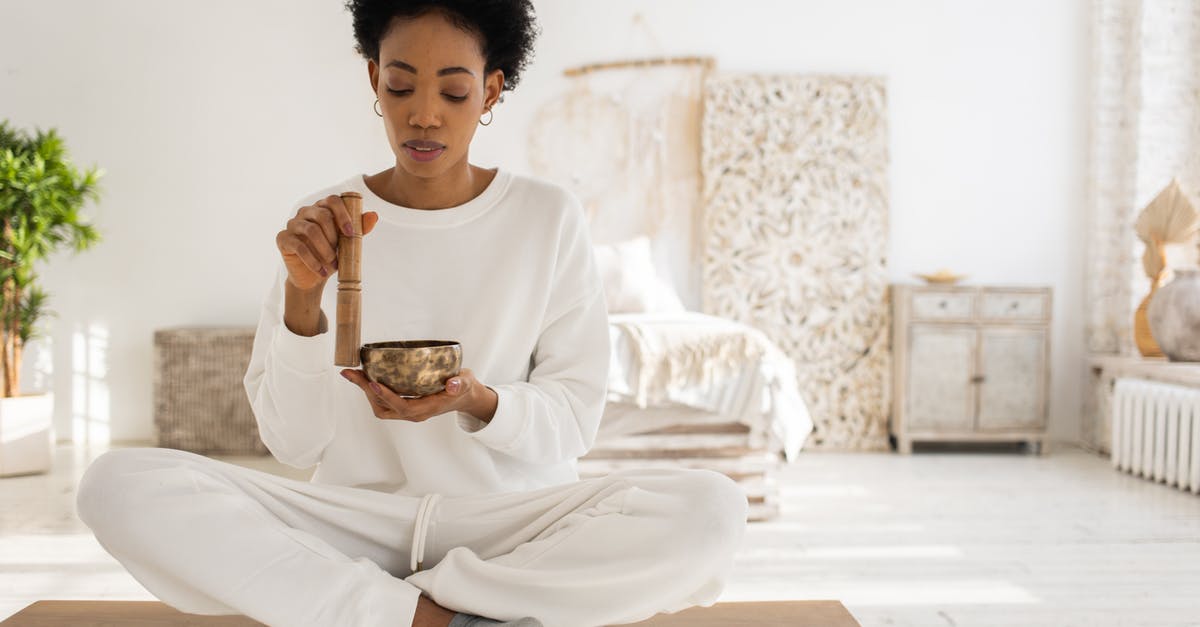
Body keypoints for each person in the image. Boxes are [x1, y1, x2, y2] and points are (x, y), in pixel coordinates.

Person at [74, 2, 747, 626]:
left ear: (489, 91)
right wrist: (304, 300)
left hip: (510, 525)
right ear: (373, 80)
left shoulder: (546, 218)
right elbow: (294, 444)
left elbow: (571, 423)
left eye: (453, 91)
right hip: (355, 521)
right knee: (116, 485)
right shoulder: (327, 218)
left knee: (711, 510)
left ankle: (391, 609)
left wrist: (480, 401)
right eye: (401, 86)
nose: (424, 114)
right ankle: (436, 617)